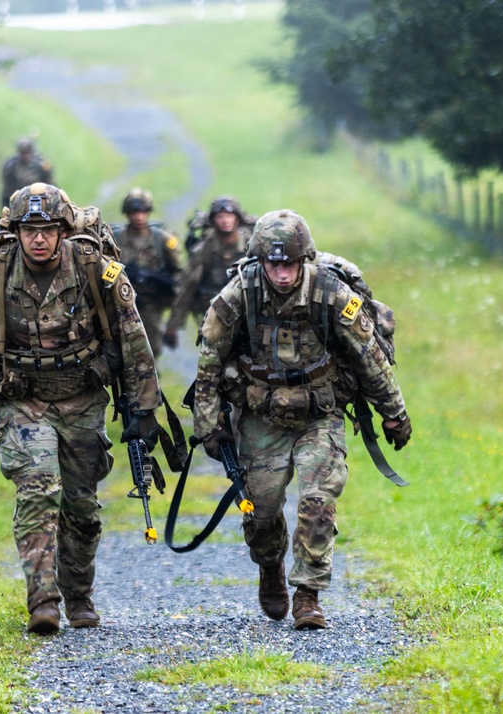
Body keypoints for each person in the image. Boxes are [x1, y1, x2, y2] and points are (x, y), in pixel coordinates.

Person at [0, 182, 163, 636]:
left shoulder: (96, 270)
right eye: (31, 230)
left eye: (48, 229)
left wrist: (144, 409)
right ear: (18, 233)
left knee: (82, 507)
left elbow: (133, 338)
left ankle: (79, 595)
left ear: (63, 230)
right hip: (21, 400)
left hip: (83, 398)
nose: (39, 238)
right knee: (37, 491)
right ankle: (43, 601)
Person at [192, 209, 411, 630]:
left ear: (303, 259)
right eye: (274, 264)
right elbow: (209, 362)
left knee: (318, 500)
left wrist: (394, 414)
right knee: (262, 512)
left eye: (290, 263)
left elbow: (371, 358)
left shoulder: (331, 293)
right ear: (260, 261)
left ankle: (308, 594)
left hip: (320, 415)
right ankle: (270, 566)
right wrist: (209, 425)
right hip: (262, 417)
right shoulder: (240, 294)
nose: (282, 273)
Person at [163, 195, 253, 349]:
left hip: (246, 311)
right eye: (220, 217)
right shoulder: (204, 250)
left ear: (237, 219)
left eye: (229, 216)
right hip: (213, 314)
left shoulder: (251, 244)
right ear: (213, 221)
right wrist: (173, 326)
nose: (225, 221)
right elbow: (187, 287)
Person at [112, 187, 184, 355]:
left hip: (151, 303)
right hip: (119, 303)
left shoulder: (162, 239)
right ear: (127, 213)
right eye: (134, 211)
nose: (139, 216)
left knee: (152, 349)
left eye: (143, 211)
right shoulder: (115, 238)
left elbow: (177, 272)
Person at [1, 137, 54, 208]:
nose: (25, 156)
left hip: (39, 197)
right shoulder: (10, 166)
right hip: (17, 199)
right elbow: (7, 186)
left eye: (27, 153)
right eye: (22, 153)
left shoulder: (41, 164)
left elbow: (48, 180)